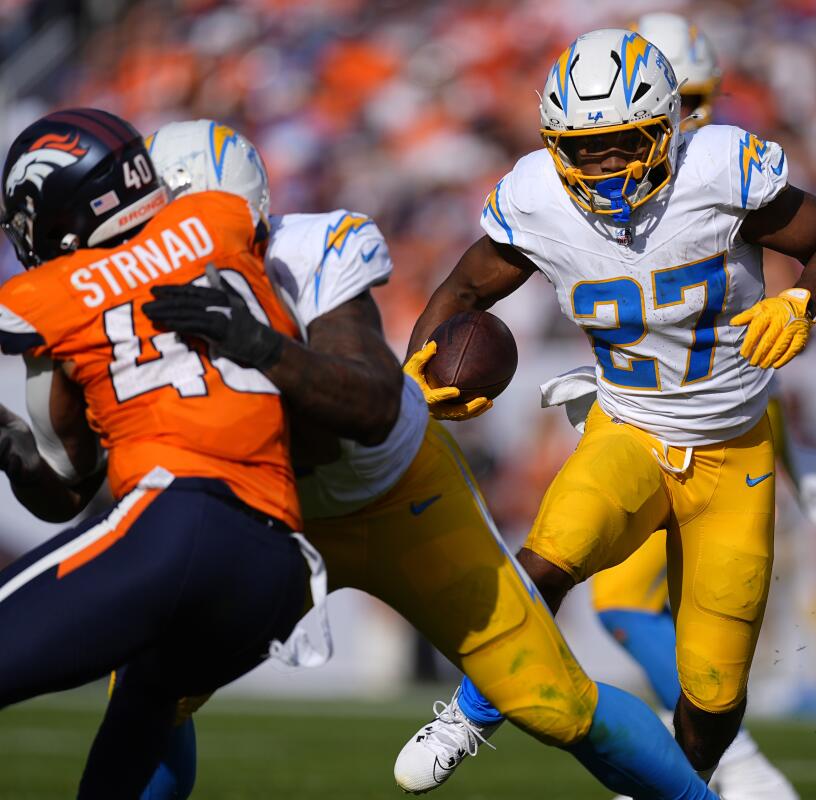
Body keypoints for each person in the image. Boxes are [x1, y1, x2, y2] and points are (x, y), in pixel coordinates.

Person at [126, 119, 718, 800]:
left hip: (401, 498)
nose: (171, 247)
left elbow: (360, 404)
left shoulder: (312, 254)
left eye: (192, 224)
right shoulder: (129, 296)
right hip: (273, 519)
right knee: (146, 686)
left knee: (552, 701)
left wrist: (255, 349)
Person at [395, 27, 816, 788]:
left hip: (734, 453)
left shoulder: (717, 171)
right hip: (632, 430)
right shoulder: (538, 198)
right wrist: (422, 366)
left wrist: (805, 298)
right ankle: (471, 713)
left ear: (669, 128)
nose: (605, 163)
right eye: (584, 147)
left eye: (625, 142)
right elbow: (463, 290)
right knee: (551, 553)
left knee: (713, 693)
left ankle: (670, 787)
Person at [0, 108, 312, 797]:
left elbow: (68, 474)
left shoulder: (43, 295)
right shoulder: (218, 220)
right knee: (141, 712)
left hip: (176, 521)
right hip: (278, 569)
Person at [586, 13, 798, 798]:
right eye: (688, 96)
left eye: (703, 96)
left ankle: (725, 758)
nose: (697, 115)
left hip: (720, 419)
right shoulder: (624, 176)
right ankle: (721, 756)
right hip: (654, 417)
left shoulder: (715, 170)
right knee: (623, 598)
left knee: (663, 611)